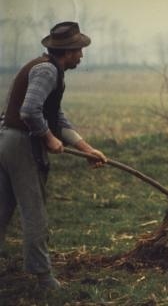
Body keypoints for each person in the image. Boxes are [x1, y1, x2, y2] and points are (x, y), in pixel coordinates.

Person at [0, 21, 107, 290]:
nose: (81, 55)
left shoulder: (49, 69)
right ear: (68, 51)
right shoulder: (47, 71)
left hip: (7, 140)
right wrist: (48, 138)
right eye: (79, 50)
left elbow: (54, 116)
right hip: (19, 143)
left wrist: (86, 149)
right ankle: (44, 279)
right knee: (33, 210)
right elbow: (29, 111)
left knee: (2, 209)